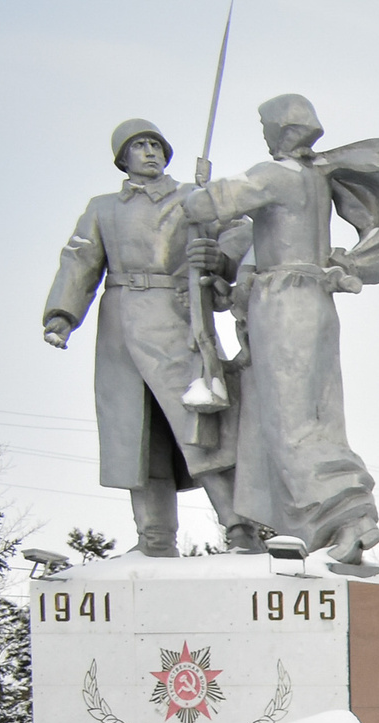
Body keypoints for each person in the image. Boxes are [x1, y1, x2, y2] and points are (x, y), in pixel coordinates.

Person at [179, 95, 379, 565]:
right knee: (317, 419)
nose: (264, 135)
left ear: (280, 129)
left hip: (284, 300)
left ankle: (346, 517)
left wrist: (199, 187)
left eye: (266, 126)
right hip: (312, 298)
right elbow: (248, 238)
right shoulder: (316, 178)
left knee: (290, 422)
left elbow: (210, 204)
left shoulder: (278, 174)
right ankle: (323, 527)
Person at [43, 120, 259, 557]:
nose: (149, 152)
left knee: (200, 425)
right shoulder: (103, 207)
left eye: (156, 145)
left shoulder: (193, 198)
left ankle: (240, 528)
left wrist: (220, 256)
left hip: (176, 316)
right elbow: (81, 258)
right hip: (120, 322)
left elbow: (241, 230)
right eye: (139, 146)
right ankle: (154, 538)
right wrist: (63, 314)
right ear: (122, 158)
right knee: (135, 436)